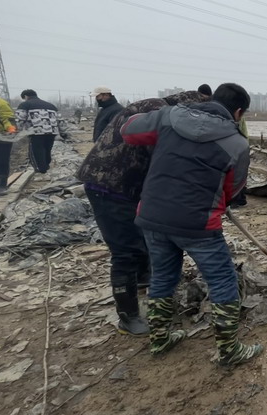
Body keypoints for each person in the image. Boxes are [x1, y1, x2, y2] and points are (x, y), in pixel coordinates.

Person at [121, 83, 263, 366]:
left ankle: (159, 338)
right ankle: (229, 350)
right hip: (198, 223)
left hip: (153, 215)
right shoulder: (237, 144)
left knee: (163, 276)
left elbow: (128, 131)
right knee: (222, 280)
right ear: (238, 112)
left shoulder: (169, 116)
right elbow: (234, 190)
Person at [78, 90, 205, 336]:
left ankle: (145, 279)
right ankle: (128, 316)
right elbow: (165, 161)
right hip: (109, 187)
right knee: (125, 252)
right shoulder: (160, 115)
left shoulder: (155, 107)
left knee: (143, 238)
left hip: (123, 184)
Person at [15, 89, 59, 175]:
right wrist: (62, 132)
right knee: (47, 149)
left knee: (37, 151)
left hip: (36, 132)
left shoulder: (25, 104)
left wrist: (18, 130)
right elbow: (59, 120)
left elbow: (20, 119)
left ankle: (41, 170)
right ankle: (46, 166)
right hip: (51, 131)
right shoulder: (51, 106)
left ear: (26, 96)